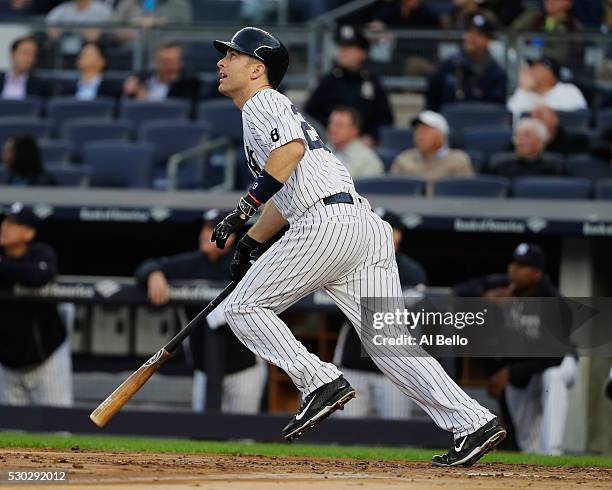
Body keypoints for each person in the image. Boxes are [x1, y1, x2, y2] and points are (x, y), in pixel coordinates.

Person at [211, 26, 505, 466]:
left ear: (258, 69)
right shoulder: (269, 111)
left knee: (242, 309)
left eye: (231, 56)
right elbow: (287, 184)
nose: (221, 62)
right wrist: (252, 240)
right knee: (390, 343)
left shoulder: (262, 100)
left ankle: (319, 380)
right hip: (362, 226)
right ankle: (474, 423)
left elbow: (288, 154)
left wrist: (243, 207)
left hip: (326, 223)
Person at [135, 210, 266, 414]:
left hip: (245, 367)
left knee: (244, 437)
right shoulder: (193, 263)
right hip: (204, 368)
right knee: (204, 437)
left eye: (212, 229)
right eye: (204, 229)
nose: (205, 234)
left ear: (231, 236)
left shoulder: (244, 262)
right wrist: (154, 274)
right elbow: (147, 265)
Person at [454, 243, 577, 455]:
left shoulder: (553, 301)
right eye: (513, 263)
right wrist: (485, 298)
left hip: (559, 361)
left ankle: (553, 450)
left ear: (537, 273)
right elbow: (459, 291)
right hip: (523, 365)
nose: (513, 268)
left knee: (553, 376)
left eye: (522, 265)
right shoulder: (504, 286)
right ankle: (532, 454)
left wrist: (509, 372)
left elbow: (552, 356)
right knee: (526, 441)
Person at [334, 209, 425, 419]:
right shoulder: (347, 263)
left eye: (387, 229)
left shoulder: (412, 271)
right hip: (353, 362)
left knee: (396, 435)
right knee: (346, 435)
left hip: (394, 367)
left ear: (398, 234)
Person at [0, 202, 73, 407]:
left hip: (47, 360)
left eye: (13, 224)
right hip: (7, 364)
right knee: (9, 435)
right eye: (5, 221)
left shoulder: (41, 253)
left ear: (28, 233)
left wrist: (4, 270)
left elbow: (37, 275)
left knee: (58, 431)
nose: (5, 227)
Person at [303, 25, 393, 144]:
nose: (343, 52)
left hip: (362, 144)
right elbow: (310, 114)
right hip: (329, 143)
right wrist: (326, 134)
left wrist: (371, 136)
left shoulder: (372, 82)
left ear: (362, 53)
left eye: (349, 47)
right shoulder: (328, 81)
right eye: (341, 47)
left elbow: (385, 118)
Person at [426, 14, 507, 111]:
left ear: (487, 40)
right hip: (447, 123)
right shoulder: (447, 67)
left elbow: (497, 111)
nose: (471, 38)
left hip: (482, 124)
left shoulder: (496, 74)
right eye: (469, 32)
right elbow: (431, 103)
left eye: (478, 34)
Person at [390, 111, 474, 196]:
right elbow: (394, 194)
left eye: (425, 131)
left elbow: (465, 197)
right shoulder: (403, 160)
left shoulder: (459, 161)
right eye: (417, 131)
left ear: (442, 135)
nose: (419, 136)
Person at [507, 56, 587, 119]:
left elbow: (579, 121)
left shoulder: (568, 91)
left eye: (536, 68)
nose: (530, 71)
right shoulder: (523, 92)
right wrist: (522, 89)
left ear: (551, 74)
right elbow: (509, 121)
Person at [123, 41, 199, 103]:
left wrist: (146, 101)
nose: (168, 66)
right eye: (164, 62)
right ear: (155, 62)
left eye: (172, 62)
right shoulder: (143, 78)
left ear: (180, 62)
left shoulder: (188, 84)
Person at [488, 118, 560, 178]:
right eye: (517, 135)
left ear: (540, 142)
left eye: (527, 135)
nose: (520, 140)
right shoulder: (500, 168)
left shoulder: (550, 171)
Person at [326, 106, 384, 178]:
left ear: (354, 130)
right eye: (331, 123)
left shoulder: (367, 160)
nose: (332, 128)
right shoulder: (321, 150)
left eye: (339, 125)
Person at [511, 0, 582, 33]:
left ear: (569, 3)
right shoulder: (535, 17)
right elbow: (513, 33)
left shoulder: (574, 26)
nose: (550, 1)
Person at [114, 0, 192, 26]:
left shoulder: (178, 5)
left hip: (167, 51)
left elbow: (183, 34)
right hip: (131, 52)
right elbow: (113, 30)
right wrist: (133, 24)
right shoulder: (127, 4)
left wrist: (161, 23)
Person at [370, 0, 440, 28]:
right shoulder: (391, 8)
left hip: (419, 51)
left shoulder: (427, 13)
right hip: (391, 48)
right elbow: (375, 23)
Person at [45, 0, 113, 24]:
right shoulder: (63, 9)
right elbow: (47, 24)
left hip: (94, 47)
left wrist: (100, 34)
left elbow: (114, 33)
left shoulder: (102, 10)